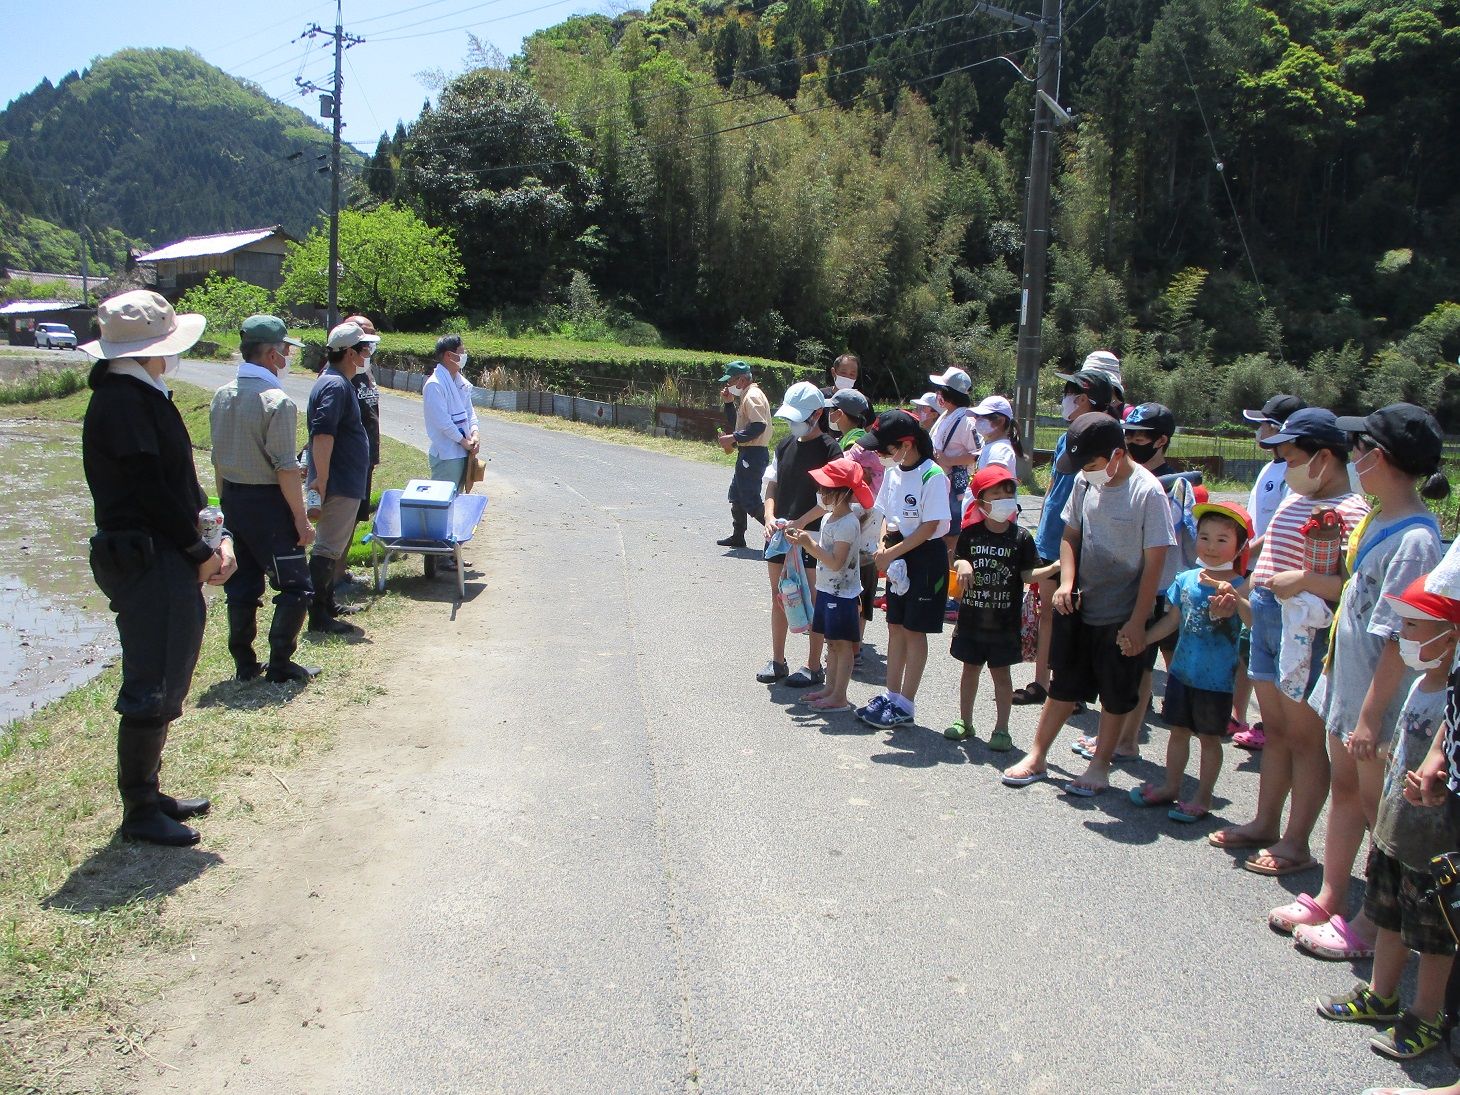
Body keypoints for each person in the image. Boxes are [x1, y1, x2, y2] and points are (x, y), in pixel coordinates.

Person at [1288, 404, 1446, 960]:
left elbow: (1399, 645)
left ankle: (1372, 925)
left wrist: (1372, 717)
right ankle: (1332, 894)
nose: (1353, 458)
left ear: (1377, 457)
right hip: (1347, 684)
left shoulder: (1418, 540)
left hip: (1376, 703)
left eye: (1359, 450)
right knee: (1346, 790)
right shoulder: (1377, 516)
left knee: (1381, 809)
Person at [80, 289, 235, 846]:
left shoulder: (140, 393)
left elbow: (178, 486)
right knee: (153, 680)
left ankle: (149, 791)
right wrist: (199, 552)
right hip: (147, 558)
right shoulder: (123, 401)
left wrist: (215, 538)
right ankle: (139, 808)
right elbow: (149, 492)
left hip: (164, 552)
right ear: (152, 350)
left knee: (170, 670)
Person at [1210, 408, 1370, 875]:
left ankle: (1296, 841)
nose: (1285, 465)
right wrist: (1237, 586)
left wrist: (1300, 579)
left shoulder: (1350, 510)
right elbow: (1266, 555)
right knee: (1276, 730)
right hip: (1267, 617)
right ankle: (1265, 821)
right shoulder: (1297, 497)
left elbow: (1348, 585)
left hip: (1307, 630)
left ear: (1323, 457)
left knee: (1304, 738)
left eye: (1291, 455)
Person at [1316, 575, 1459, 1062]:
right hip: (1397, 832)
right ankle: (1382, 993)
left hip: (1437, 845)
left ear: (1451, 634)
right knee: (1389, 915)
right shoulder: (1422, 683)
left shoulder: (1454, 695)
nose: (1405, 638)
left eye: (1415, 627)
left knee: (1434, 936)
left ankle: (1426, 1014)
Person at [1001, 412, 1175, 794]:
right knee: (1065, 683)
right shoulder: (1084, 481)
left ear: (1117, 454)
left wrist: (1137, 620)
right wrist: (1065, 581)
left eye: (1094, 464)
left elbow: (1156, 563)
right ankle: (1037, 755)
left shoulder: (1147, 492)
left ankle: (1100, 765)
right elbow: (1070, 534)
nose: (1088, 472)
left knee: (1115, 692)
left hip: (1126, 610)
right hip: (1082, 601)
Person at [209, 314, 319, 685]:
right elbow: (286, 468)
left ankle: (243, 663)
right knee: (296, 585)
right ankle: (280, 662)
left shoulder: (222, 395)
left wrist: (226, 507)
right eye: (287, 350)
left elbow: (218, 461)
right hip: (269, 503)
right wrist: (301, 520)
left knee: (242, 584)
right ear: (273, 355)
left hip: (234, 500)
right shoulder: (277, 401)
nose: (289, 357)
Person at [1130, 502, 1253, 821]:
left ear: (1239, 546)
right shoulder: (1185, 579)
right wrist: (1143, 638)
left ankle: (1203, 797)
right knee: (1178, 731)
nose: (1211, 546)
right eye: (1205, 537)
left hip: (1217, 681)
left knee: (1210, 739)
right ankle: (1172, 786)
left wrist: (1236, 599)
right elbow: (1172, 621)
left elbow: (1253, 622)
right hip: (1182, 674)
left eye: (1222, 540)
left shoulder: (1243, 585)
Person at [1081, 402, 1180, 763]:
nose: (1135, 440)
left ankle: (1128, 739)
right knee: (1129, 665)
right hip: (1118, 585)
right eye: (1130, 434)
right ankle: (1119, 736)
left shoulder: (1169, 483)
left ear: (1161, 441)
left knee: (1142, 664)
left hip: (1155, 588)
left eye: (1143, 436)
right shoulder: (1113, 476)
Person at [1016, 361, 1116, 707]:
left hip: (1083, 543)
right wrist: (1042, 522)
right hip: (1051, 536)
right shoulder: (1065, 437)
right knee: (1047, 611)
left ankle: (1069, 689)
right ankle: (1040, 682)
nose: (1066, 399)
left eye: (1072, 392)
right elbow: (1055, 486)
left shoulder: (1107, 438)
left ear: (1088, 398)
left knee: (1072, 614)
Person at [857, 410, 952, 729]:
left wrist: (892, 552)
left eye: (885, 449)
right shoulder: (895, 472)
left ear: (907, 444)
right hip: (897, 552)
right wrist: (884, 545)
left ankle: (906, 703)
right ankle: (891, 694)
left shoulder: (932, 474)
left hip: (925, 557)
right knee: (895, 625)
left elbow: (929, 527)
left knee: (914, 630)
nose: (881, 455)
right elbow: (885, 514)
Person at [945, 465, 1048, 750]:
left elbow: (1027, 576)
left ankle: (1002, 729)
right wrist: (962, 563)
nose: (1005, 497)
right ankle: (965, 721)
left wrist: (1055, 569)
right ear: (981, 502)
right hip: (971, 621)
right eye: (997, 493)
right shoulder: (971, 533)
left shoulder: (1022, 537)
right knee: (970, 671)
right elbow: (958, 560)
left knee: (1002, 676)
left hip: (1003, 623)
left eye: (1009, 491)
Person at [1231, 393, 1308, 749]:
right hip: (1257, 572)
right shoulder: (1268, 469)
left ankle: (1270, 722)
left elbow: (1277, 530)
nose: (1258, 431)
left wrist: (1244, 557)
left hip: (1280, 578)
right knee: (1250, 646)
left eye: (1263, 424)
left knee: (1277, 651)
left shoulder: (1298, 476)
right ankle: (1239, 714)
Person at [758, 381, 843, 685]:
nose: (792, 423)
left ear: (818, 413)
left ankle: (813, 665)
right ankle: (778, 660)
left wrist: (802, 523)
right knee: (779, 596)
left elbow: (833, 499)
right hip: (779, 534)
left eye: (798, 417)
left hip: (814, 537)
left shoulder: (832, 449)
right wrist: (769, 515)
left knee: (812, 597)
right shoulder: (783, 445)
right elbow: (772, 483)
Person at [305, 321, 378, 634]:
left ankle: (326, 604)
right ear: (350, 353)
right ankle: (318, 616)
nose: (367, 354)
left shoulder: (335, 381)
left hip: (343, 478)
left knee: (329, 548)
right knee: (326, 549)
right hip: (339, 481)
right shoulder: (335, 385)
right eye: (364, 349)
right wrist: (321, 479)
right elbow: (322, 434)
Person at [786, 458, 872, 712]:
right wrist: (803, 541)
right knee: (831, 642)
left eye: (826, 489)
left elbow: (836, 562)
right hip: (827, 590)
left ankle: (840, 696)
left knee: (842, 644)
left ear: (843, 492)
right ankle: (830, 688)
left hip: (842, 595)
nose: (821, 493)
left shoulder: (847, 523)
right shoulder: (829, 519)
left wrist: (809, 545)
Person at [826, 389, 883, 654]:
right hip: (871, 525)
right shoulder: (860, 439)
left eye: (832, 409)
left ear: (840, 413)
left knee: (849, 588)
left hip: (857, 522)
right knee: (863, 589)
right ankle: (855, 647)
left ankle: (849, 649)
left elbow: (847, 487)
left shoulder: (854, 447)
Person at [715, 361, 771, 548]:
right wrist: (729, 404)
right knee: (737, 495)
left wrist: (733, 438)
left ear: (740, 380)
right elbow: (740, 425)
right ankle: (738, 536)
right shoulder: (746, 395)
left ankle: (778, 535)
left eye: (729, 380)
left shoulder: (752, 396)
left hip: (753, 453)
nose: (727, 385)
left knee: (750, 499)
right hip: (748, 452)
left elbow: (758, 425)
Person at [422, 334, 480, 492]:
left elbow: (470, 413)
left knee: (457, 499)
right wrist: (463, 441)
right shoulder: (435, 385)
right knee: (441, 501)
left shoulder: (462, 383)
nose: (464, 355)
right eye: (461, 352)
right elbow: (443, 422)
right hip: (446, 454)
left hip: (463, 452)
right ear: (449, 355)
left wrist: (475, 434)